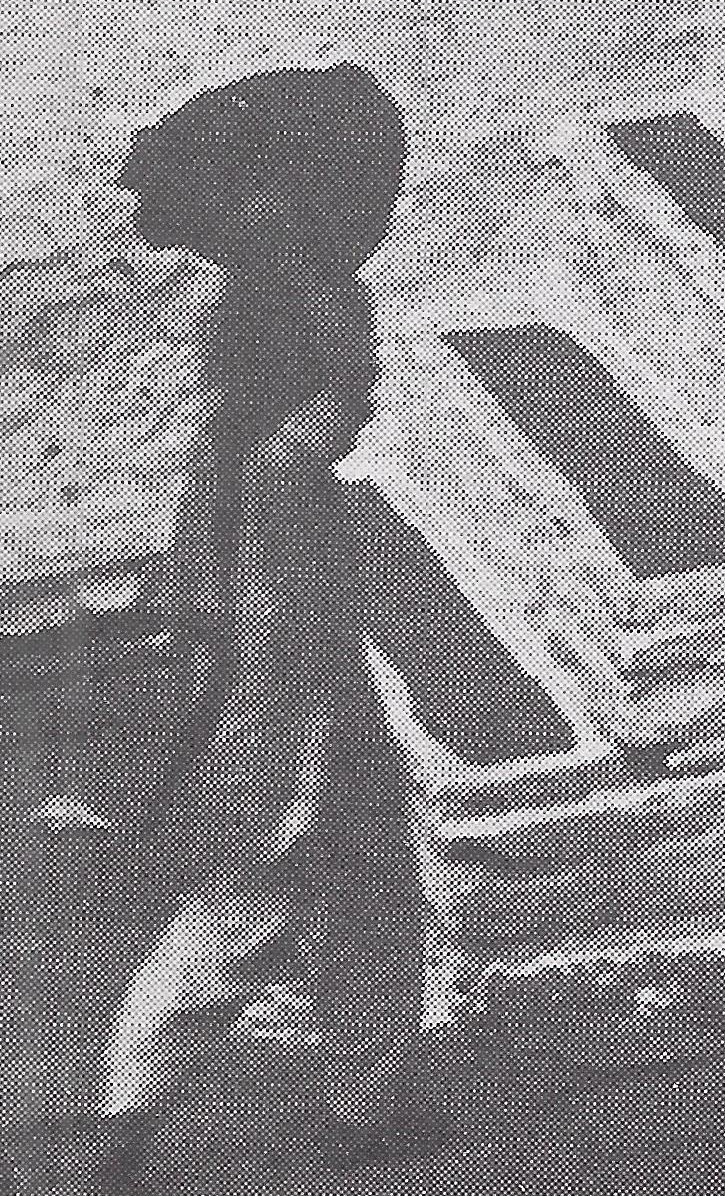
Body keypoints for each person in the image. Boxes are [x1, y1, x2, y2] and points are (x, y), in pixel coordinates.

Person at [90, 189, 430, 1177]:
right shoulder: (285, 480)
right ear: (306, 388)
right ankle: (346, 1107)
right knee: (314, 919)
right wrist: (305, 775)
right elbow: (279, 643)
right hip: (295, 741)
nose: (367, 395)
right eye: (351, 381)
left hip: (275, 729)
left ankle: (136, 1115)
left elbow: (202, 610)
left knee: (269, 926)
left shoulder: (230, 453)